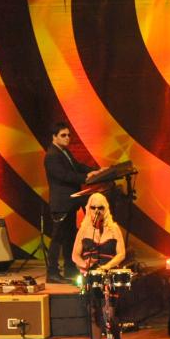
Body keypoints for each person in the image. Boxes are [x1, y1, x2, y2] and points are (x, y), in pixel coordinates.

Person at [44, 121, 101, 283]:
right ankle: (52, 272)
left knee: (70, 237)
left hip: (70, 203)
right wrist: (85, 178)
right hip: (61, 203)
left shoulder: (64, 152)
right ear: (54, 137)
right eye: (63, 135)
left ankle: (69, 268)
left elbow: (77, 166)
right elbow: (64, 176)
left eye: (69, 135)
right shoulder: (52, 155)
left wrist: (95, 172)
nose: (67, 138)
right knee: (58, 239)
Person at [71, 191, 127, 339]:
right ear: (88, 208)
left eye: (100, 208)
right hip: (91, 276)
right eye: (93, 207)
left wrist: (107, 266)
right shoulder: (84, 230)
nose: (97, 211)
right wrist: (84, 265)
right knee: (94, 314)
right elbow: (75, 255)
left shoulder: (114, 228)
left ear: (105, 209)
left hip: (108, 275)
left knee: (110, 314)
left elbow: (121, 253)